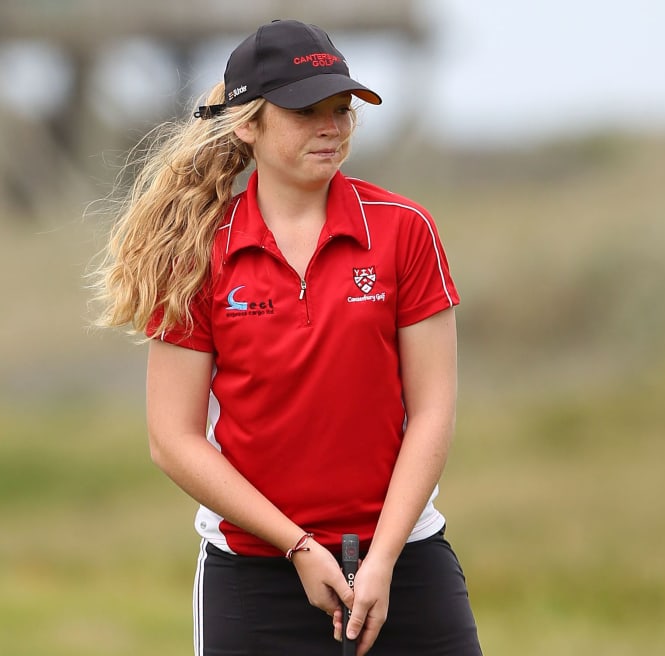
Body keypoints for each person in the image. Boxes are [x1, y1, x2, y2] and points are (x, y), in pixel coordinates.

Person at [92, 18, 482, 656]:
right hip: (255, 578)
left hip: (404, 564)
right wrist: (298, 547)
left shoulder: (404, 230)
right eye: (306, 112)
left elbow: (433, 411)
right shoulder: (197, 250)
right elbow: (173, 439)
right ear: (247, 122)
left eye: (342, 109)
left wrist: (381, 560)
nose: (331, 127)